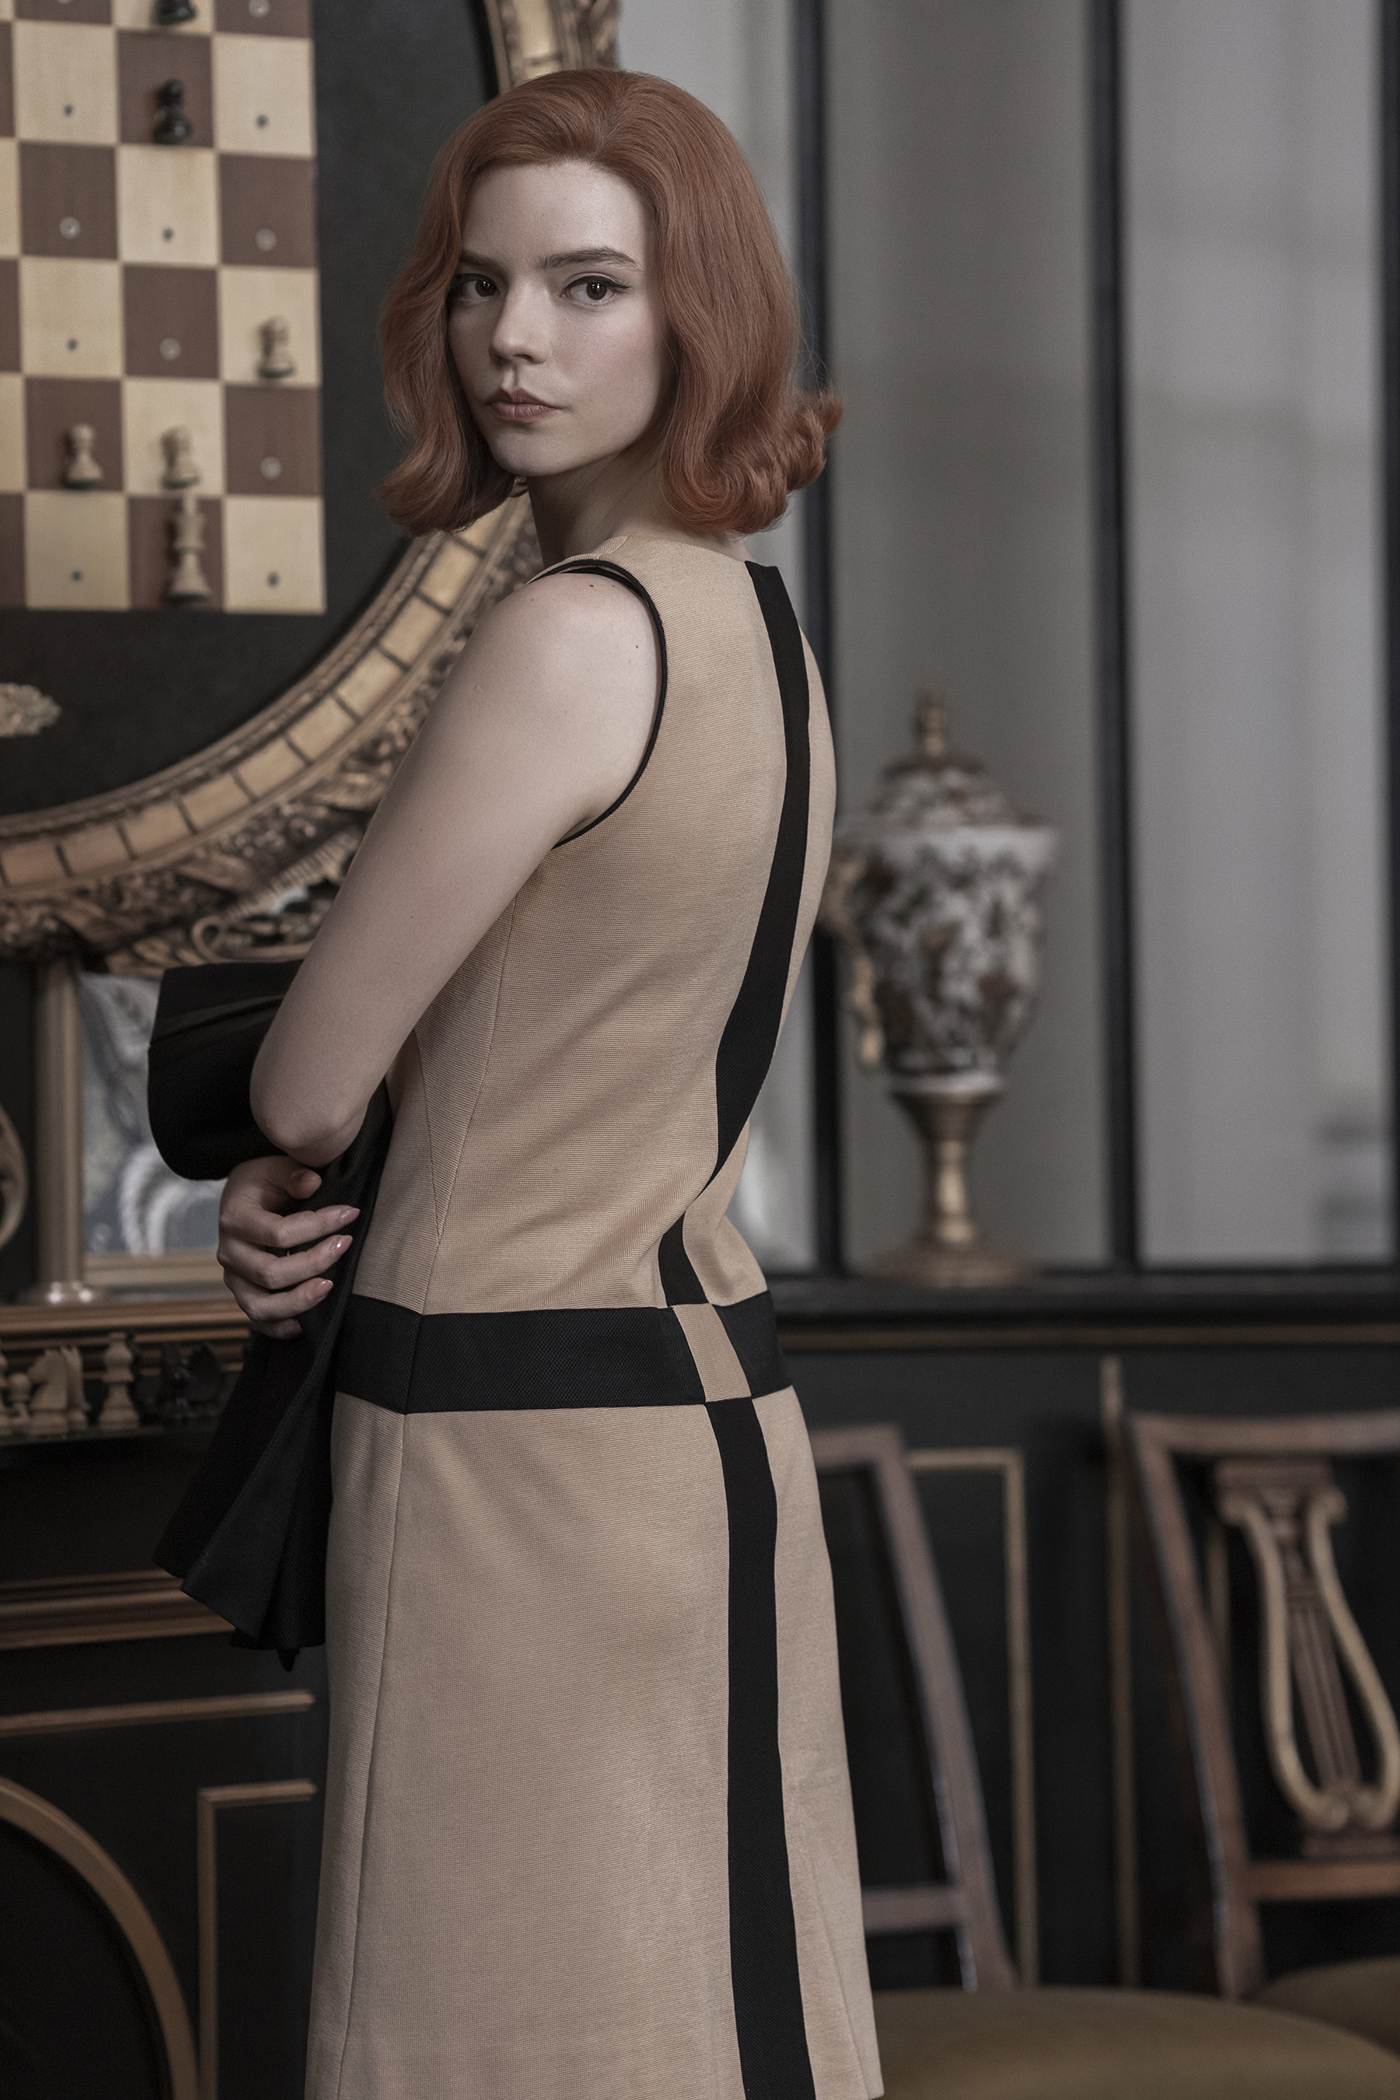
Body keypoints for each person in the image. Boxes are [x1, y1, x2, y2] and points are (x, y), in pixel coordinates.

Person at [217, 64, 884, 2100]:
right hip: (704, 1419)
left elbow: (310, 1091)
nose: (514, 337)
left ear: (700, 312)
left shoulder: (566, 640)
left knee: (479, 2042)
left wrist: (278, 1171)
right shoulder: (764, 638)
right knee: (711, 2024)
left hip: (504, 1441)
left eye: (589, 285)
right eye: (481, 284)